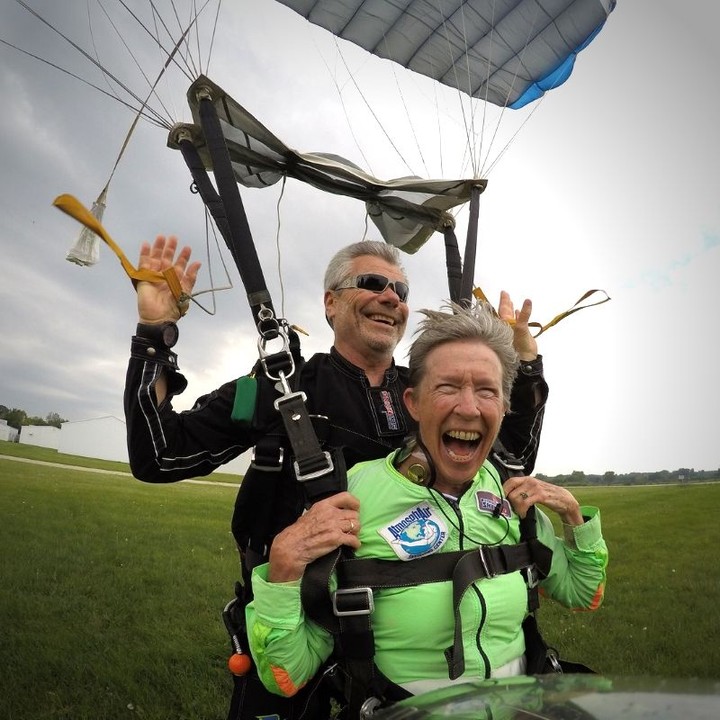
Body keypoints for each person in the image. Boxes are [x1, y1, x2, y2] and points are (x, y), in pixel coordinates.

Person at [123, 236, 549, 719]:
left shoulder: (431, 393)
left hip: (396, 634)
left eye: (402, 292)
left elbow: (512, 455)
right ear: (331, 302)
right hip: (300, 621)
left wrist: (526, 363)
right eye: (372, 284)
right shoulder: (279, 387)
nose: (392, 298)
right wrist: (155, 334)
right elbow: (160, 455)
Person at [245, 302, 607, 712]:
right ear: (413, 403)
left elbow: (583, 594)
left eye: (487, 390)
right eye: (449, 387)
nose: (469, 407)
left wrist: (575, 518)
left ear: (504, 408)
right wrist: (282, 572)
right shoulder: (354, 497)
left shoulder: (509, 499)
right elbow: (286, 673)